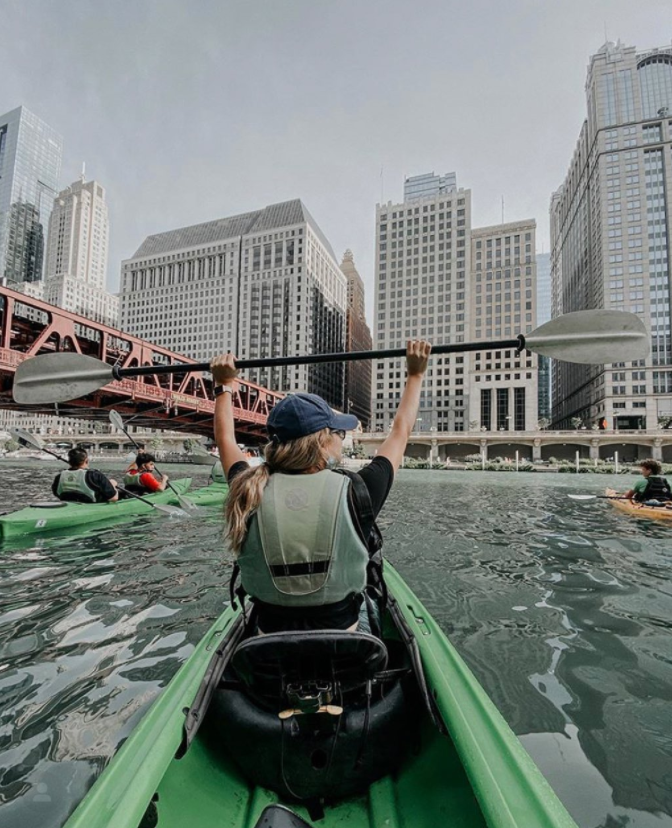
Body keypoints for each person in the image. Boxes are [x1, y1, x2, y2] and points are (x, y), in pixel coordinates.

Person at [211, 340, 432, 635]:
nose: (342, 437)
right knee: (372, 601)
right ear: (323, 442)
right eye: (338, 432)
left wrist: (223, 387)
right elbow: (401, 431)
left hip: (268, 639)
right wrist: (415, 375)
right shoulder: (357, 489)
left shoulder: (247, 488)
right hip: (344, 638)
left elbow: (225, 439)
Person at [52, 448, 119, 503]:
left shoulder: (59, 476)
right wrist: (113, 485)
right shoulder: (94, 475)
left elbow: (57, 494)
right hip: (90, 506)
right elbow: (113, 498)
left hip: (67, 505)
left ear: (70, 461)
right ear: (86, 460)